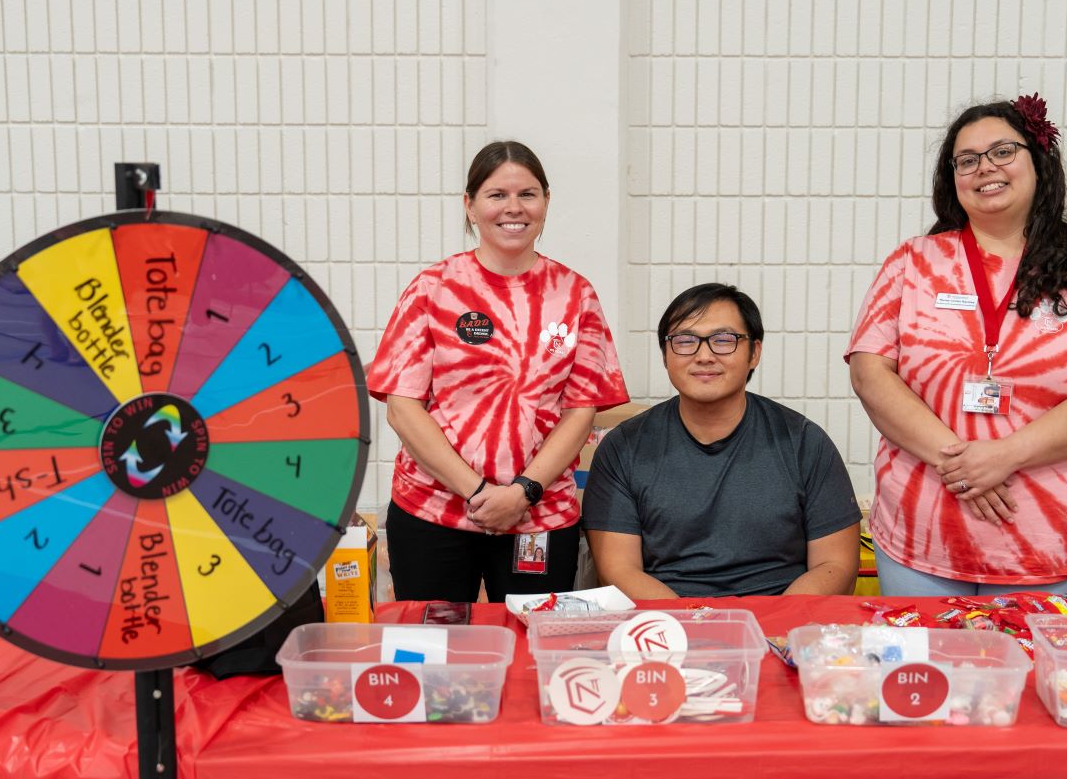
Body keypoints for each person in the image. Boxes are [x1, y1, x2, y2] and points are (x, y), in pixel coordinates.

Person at [846, 94, 1067, 596]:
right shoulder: (912, 262)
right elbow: (868, 372)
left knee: (1040, 676)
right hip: (922, 536)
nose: (984, 168)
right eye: (966, 160)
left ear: (1039, 161)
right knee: (927, 673)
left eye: (1002, 152)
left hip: (1049, 540)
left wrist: (1005, 455)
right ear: (952, 179)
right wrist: (962, 463)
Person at [368, 141, 629, 602]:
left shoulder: (576, 294)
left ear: (546, 202)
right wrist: (479, 492)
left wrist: (523, 492)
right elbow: (402, 407)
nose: (514, 208)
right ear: (470, 206)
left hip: (540, 515)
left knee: (532, 652)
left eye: (527, 194)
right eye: (496, 195)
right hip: (433, 511)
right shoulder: (433, 289)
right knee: (436, 655)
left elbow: (581, 409)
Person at [583, 283, 861, 598]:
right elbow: (618, 569)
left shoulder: (804, 443)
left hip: (780, 624)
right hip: (670, 626)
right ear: (665, 354)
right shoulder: (623, 448)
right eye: (685, 341)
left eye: (723, 340)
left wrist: (772, 630)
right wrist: (693, 630)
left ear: (754, 352)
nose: (704, 356)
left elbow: (836, 565)